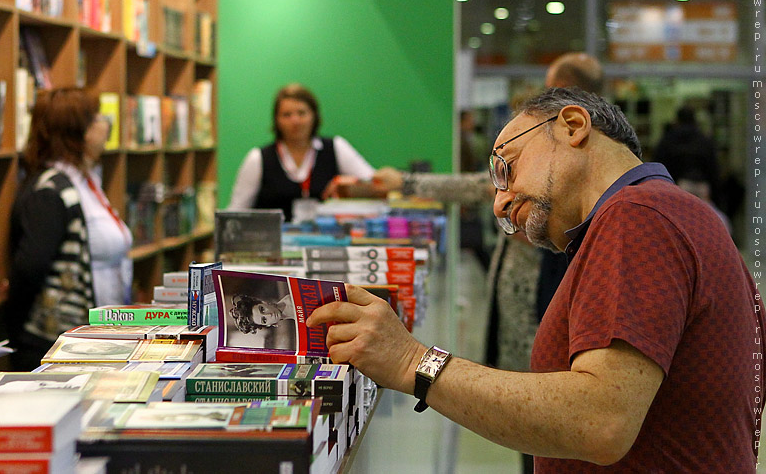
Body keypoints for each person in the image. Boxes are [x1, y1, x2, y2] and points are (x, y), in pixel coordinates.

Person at [308, 87, 762, 471]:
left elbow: (599, 419)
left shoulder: (637, 218)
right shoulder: (669, 214)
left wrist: (413, 362)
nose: (499, 204)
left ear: (572, 126)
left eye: (506, 167)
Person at [7, 87, 133, 371]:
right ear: (80, 131)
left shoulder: (83, 180)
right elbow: (30, 268)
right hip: (58, 346)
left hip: (90, 340)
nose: (106, 123)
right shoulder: (52, 190)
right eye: (97, 117)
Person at [227, 83, 375, 221]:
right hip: (272, 245)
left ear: (314, 116)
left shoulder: (336, 147)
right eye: (287, 115)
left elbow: (375, 183)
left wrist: (352, 183)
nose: (295, 121)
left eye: (302, 113)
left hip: (325, 242)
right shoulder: (258, 158)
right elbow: (236, 211)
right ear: (276, 120)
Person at [229, 293, 294, 334]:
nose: (269, 315)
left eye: (262, 309)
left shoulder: (292, 300)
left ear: (264, 302)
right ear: (268, 325)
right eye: (264, 320)